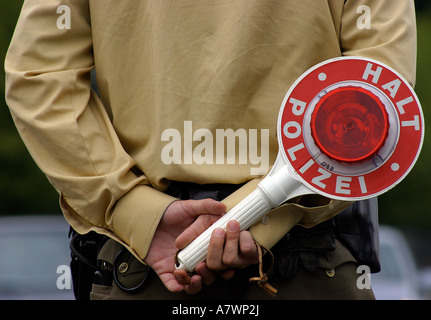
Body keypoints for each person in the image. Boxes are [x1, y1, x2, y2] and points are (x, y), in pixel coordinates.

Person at [5, 0, 417, 300]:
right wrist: (255, 216)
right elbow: (379, 94)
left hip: (149, 268)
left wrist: (134, 210)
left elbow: (40, 79)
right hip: (307, 265)